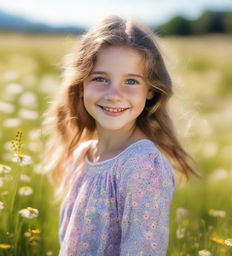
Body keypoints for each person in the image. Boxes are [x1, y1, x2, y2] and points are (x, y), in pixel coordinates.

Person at [42, 15, 201, 256]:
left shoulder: (142, 165)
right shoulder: (82, 155)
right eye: (100, 78)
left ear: (150, 90)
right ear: (81, 83)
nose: (114, 94)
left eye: (130, 81)